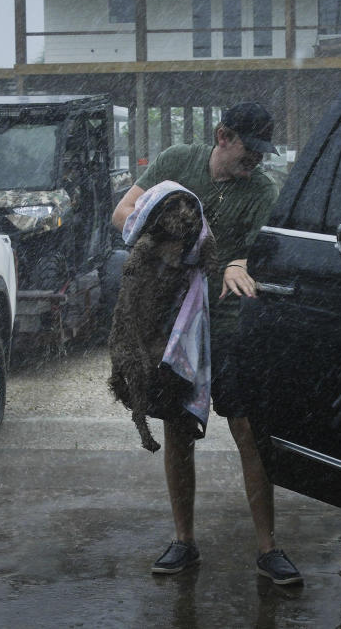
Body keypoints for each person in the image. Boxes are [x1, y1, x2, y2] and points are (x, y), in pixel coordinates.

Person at [111, 101, 302, 583]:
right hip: (175, 325)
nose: (255, 160)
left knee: (249, 434)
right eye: (248, 149)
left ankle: (268, 548)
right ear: (222, 136)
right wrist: (172, 234)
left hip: (232, 326)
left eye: (262, 151)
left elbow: (263, 252)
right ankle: (184, 541)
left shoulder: (261, 191)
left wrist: (241, 263)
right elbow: (123, 213)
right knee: (177, 432)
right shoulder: (176, 162)